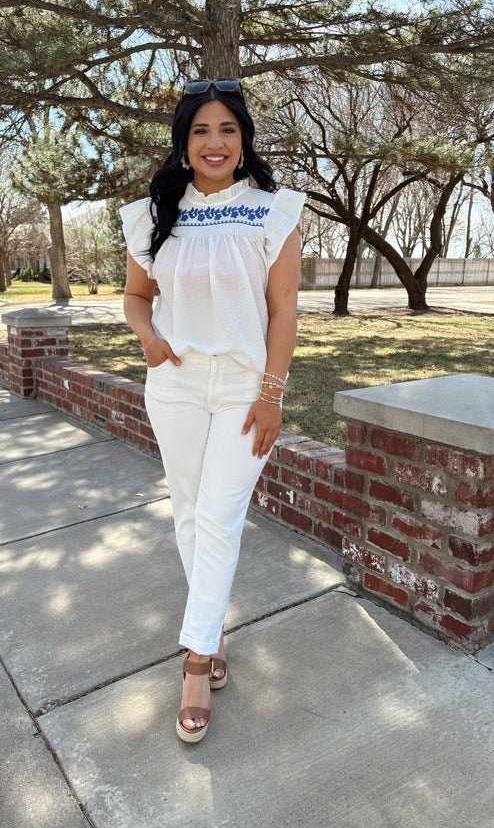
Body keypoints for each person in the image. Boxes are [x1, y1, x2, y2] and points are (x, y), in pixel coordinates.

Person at [120, 78, 304, 743]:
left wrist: (271, 394)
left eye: (227, 129)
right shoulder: (154, 213)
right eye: (200, 130)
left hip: (242, 388)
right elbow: (136, 298)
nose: (215, 141)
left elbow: (283, 309)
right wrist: (148, 336)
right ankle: (212, 626)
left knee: (220, 516)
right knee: (192, 514)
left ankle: (196, 662)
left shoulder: (272, 211)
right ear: (184, 143)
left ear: (243, 139)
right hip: (172, 384)